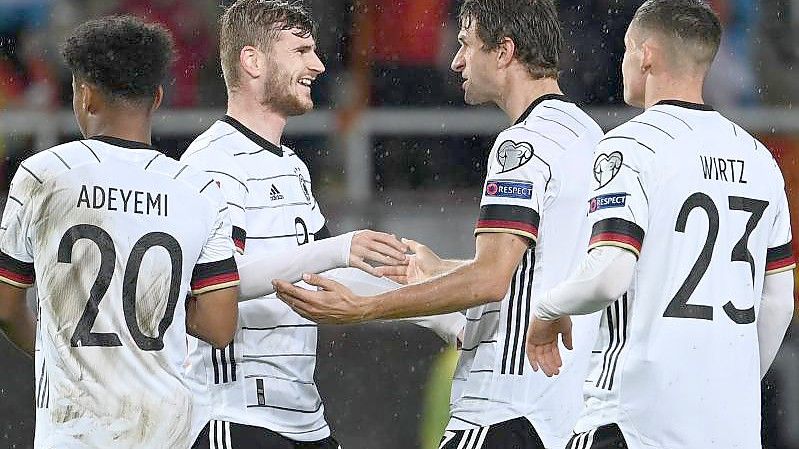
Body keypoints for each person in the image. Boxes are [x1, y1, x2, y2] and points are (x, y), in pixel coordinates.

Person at [274, 1, 604, 447]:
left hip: (503, 405)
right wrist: (441, 268)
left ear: (504, 52)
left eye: (466, 44)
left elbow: (491, 279)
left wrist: (365, 308)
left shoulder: (521, 145)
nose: (456, 60)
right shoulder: (590, 137)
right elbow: (541, 269)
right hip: (563, 411)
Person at [181, 1, 464, 448]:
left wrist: (443, 319)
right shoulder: (211, 162)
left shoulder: (292, 166)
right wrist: (336, 248)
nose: (317, 64)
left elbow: (330, 275)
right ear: (252, 61)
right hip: (233, 416)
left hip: (303, 418)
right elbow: (217, 286)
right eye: (301, 50)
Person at [525, 1, 796, 448]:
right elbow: (778, 304)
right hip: (728, 429)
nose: (623, 61)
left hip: (634, 421)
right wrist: (729, 382)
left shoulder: (630, 146)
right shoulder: (760, 159)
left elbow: (609, 275)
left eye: (627, 49)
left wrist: (547, 309)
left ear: (646, 54)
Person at [0, 16, 240, 449]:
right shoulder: (198, 190)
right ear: (158, 98)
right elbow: (221, 326)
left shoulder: (42, 175)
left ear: (85, 95)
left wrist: (55, 349)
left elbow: (4, 305)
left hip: (72, 431)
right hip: (167, 429)